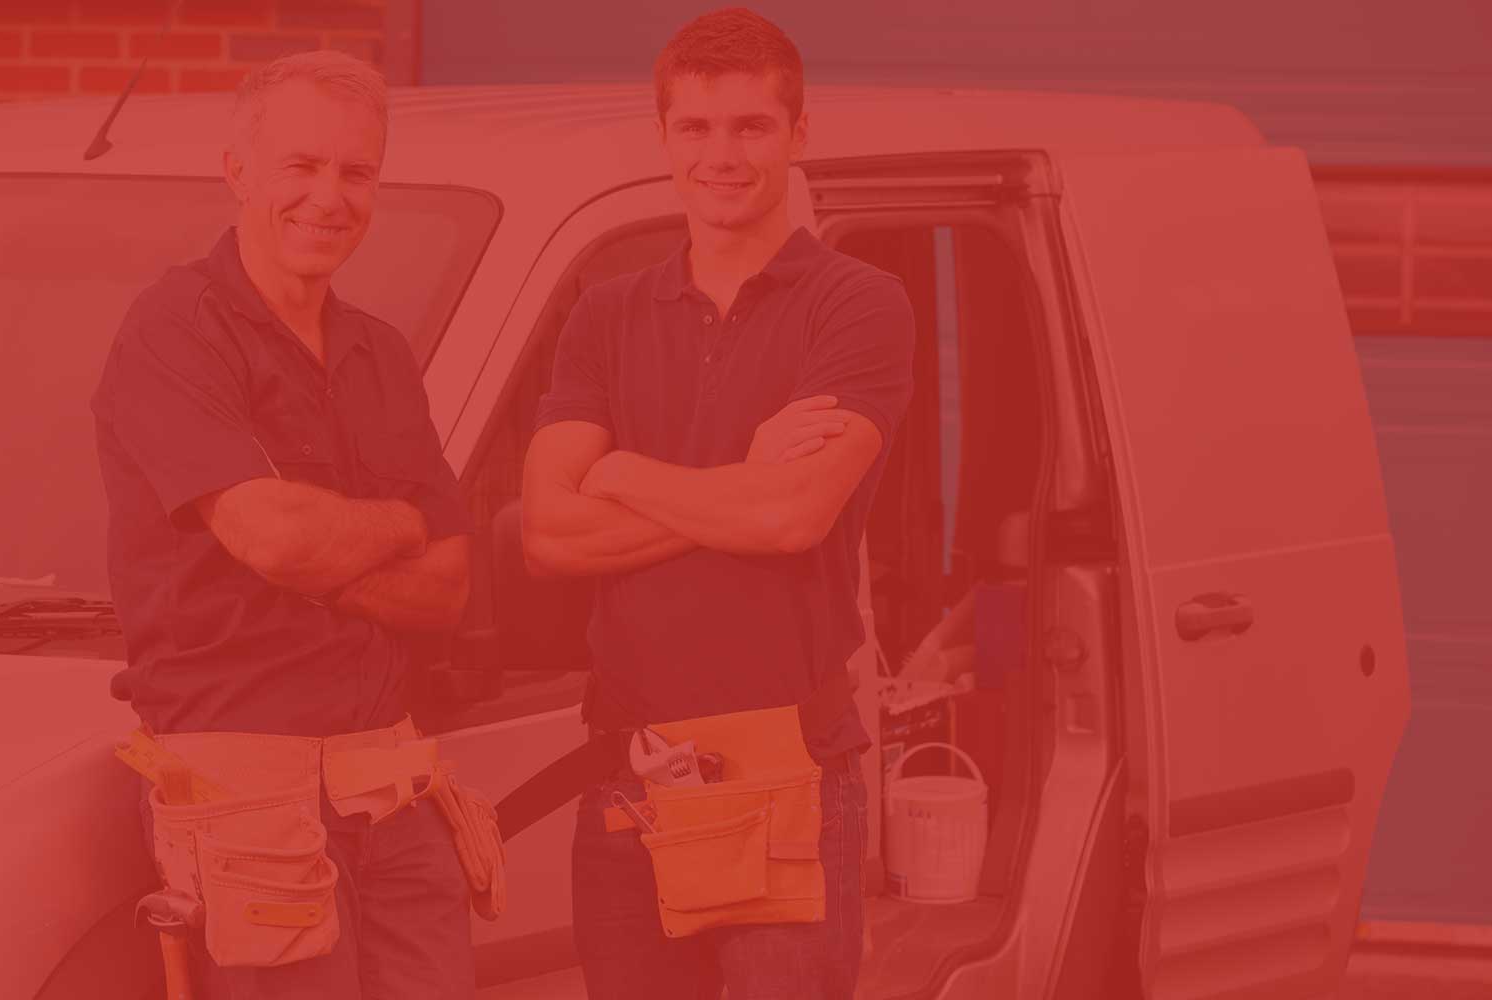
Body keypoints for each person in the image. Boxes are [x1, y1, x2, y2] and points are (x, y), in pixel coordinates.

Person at [521, 9, 916, 998]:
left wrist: (619, 470)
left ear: (798, 133)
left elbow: (792, 518)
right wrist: (741, 473)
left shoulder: (856, 303)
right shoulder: (606, 313)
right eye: (695, 127)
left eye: (750, 126)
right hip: (630, 772)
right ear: (663, 137)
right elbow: (548, 535)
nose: (722, 154)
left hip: (788, 765)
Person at [91, 51, 487, 999]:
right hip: (245, 790)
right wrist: (397, 524)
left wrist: (318, 551)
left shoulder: (379, 353)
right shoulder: (176, 329)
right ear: (238, 171)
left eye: (357, 172)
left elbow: (447, 586)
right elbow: (275, 538)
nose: (329, 197)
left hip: (389, 779)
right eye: (301, 167)